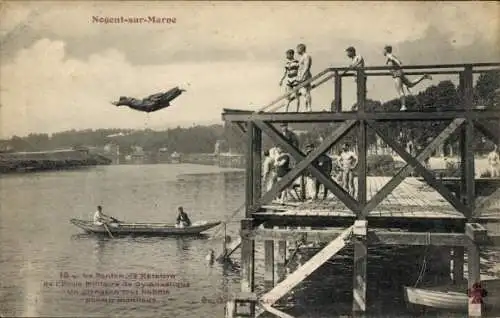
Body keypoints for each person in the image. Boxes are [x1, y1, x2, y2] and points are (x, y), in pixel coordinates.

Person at [383, 45, 432, 111]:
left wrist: (399, 63)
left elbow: (396, 60)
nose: (382, 51)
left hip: (397, 75)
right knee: (410, 84)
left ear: (386, 50)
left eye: (383, 50)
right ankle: (423, 76)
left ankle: (403, 106)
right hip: (400, 73)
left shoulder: (389, 55)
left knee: (400, 91)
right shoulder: (390, 56)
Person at [296, 43, 312, 112]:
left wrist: (302, 76)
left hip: (305, 76)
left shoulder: (306, 56)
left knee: (306, 92)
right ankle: (306, 108)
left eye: (297, 49)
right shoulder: (302, 57)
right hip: (301, 76)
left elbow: (306, 67)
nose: (297, 51)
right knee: (304, 92)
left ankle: (309, 107)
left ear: (301, 49)